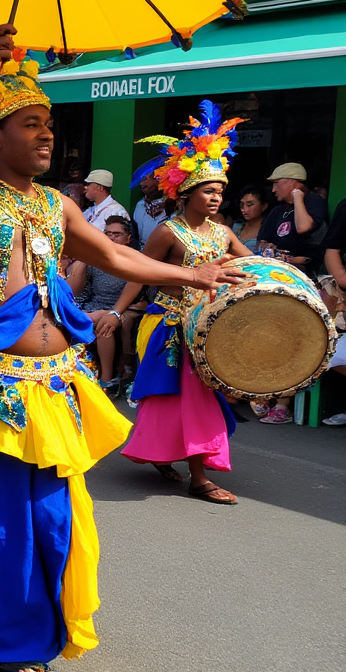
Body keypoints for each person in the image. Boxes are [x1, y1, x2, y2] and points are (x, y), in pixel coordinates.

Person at [0, 25, 241, 669]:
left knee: (45, 515)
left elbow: (116, 254)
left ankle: (27, 615)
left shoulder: (56, 205)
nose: (47, 133)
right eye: (30, 123)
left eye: (49, 123)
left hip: (54, 385)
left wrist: (191, 274)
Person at [102, 101, 251, 501]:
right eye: (208, 190)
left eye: (220, 191)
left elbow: (251, 263)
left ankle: (169, 455)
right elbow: (140, 272)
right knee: (180, 395)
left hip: (210, 325)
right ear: (187, 192)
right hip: (170, 326)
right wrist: (117, 312)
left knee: (197, 397)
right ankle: (199, 478)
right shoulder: (168, 232)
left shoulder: (223, 232)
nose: (217, 197)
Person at [81, 216, 140, 394]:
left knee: (104, 326)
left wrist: (116, 312)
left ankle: (107, 380)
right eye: (108, 234)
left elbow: (143, 294)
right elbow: (84, 291)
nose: (112, 238)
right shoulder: (95, 261)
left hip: (122, 310)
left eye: (117, 234)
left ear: (128, 238)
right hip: (95, 306)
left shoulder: (135, 262)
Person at [258, 162, 328, 271]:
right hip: (277, 268)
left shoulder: (314, 201)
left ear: (291, 181)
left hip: (305, 273)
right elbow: (261, 241)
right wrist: (268, 248)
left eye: (276, 183)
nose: (273, 189)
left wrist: (297, 197)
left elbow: (303, 227)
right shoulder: (277, 210)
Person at [131, 171, 172, 248]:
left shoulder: (171, 206)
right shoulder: (140, 205)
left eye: (148, 178)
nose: (142, 184)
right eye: (143, 179)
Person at [232, 185, 270, 252]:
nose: (245, 209)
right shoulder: (236, 227)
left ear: (264, 206)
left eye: (250, 205)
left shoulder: (269, 230)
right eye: (242, 205)